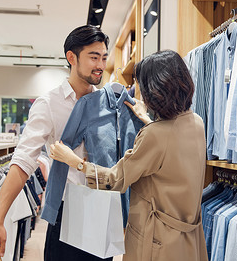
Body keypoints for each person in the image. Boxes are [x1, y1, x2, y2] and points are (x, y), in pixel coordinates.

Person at [50, 50, 209, 261]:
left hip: (156, 240)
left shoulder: (155, 135)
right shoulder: (196, 122)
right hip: (188, 236)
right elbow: (171, 151)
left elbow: (115, 180)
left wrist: (75, 162)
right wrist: (148, 121)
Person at [0, 25, 112, 261]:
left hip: (102, 212)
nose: (101, 66)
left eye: (104, 57)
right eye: (94, 57)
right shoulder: (49, 104)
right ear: (71, 57)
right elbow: (23, 161)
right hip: (67, 214)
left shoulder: (107, 103)